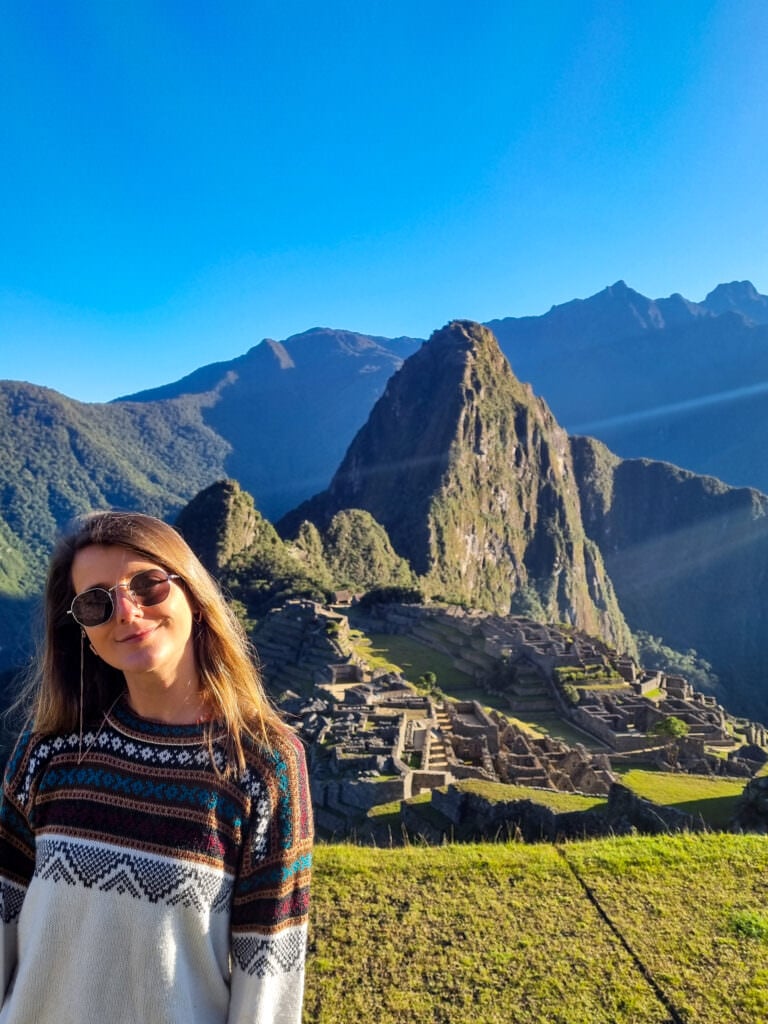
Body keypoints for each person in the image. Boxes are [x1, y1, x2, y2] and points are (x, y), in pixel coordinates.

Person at [0, 510, 313, 1024]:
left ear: (192, 592)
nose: (126, 612)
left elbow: (269, 976)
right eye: (96, 603)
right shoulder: (49, 753)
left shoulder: (261, 766)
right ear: (82, 629)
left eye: (148, 585)